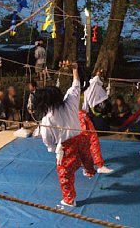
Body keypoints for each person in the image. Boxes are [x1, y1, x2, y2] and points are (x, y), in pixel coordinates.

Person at [35, 62, 96, 207]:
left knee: (65, 174)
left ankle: (69, 200)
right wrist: (75, 69)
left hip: (67, 146)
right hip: (81, 139)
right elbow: (76, 85)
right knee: (86, 156)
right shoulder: (69, 101)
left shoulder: (47, 119)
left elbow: (47, 140)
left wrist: (53, 149)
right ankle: (89, 170)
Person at [78, 110, 113, 174]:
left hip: (76, 115)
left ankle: (83, 163)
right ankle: (98, 166)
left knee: (83, 139)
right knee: (92, 140)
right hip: (81, 115)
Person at [82, 69, 112, 133]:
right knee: (96, 121)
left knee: (97, 121)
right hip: (93, 105)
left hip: (94, 105)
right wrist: (99, 73)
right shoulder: (92, 82)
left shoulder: (91, 83)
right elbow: (96, 78)